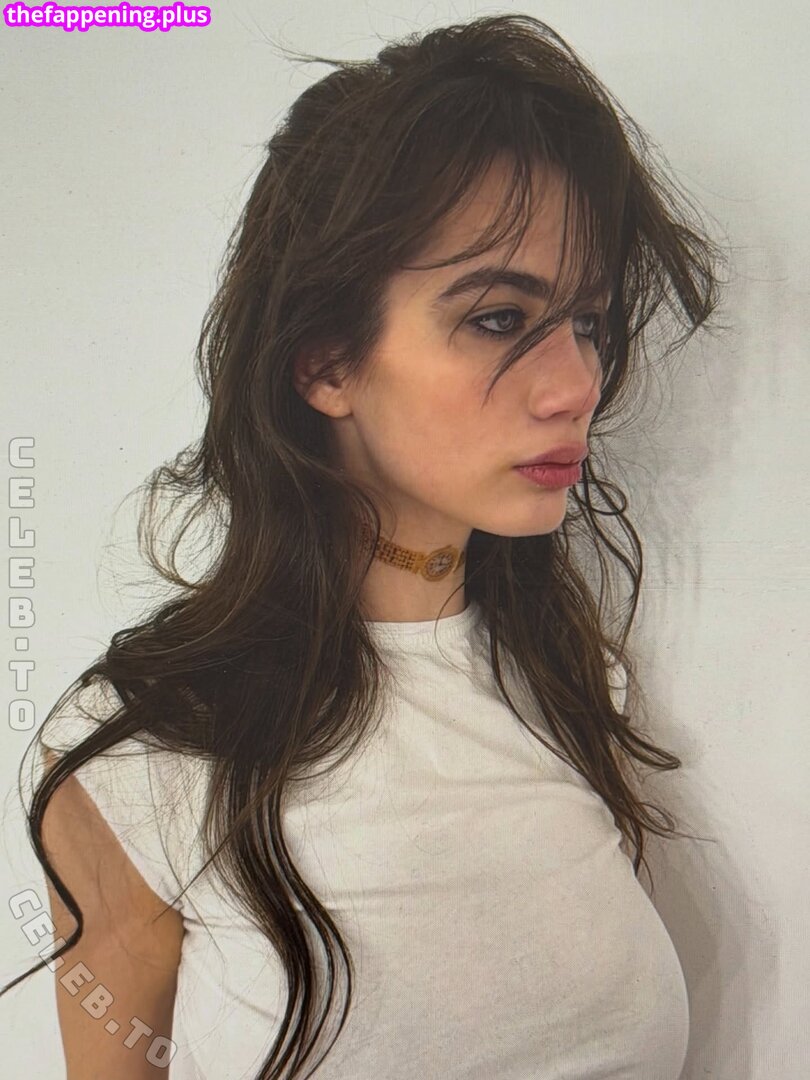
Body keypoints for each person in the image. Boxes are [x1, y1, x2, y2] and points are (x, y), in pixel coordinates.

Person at [4, 13, 724, 1080]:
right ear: (326, 361)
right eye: (499, 318)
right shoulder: (147, 755)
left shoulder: (573, 684)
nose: (577, 385)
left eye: (591, 323)